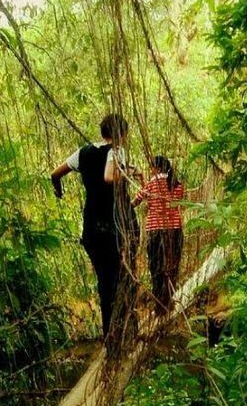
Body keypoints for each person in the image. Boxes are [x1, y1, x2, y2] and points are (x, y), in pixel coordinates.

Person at [51, 113, 140, 341]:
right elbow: (110, 177)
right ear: (121, 134)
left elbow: (55, 174)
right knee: (125, 279)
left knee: (105, 282)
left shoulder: (83, 153)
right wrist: (129, 172)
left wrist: (58, 190)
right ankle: (126, 333)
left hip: (92, 229)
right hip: (117, 227)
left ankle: (110, 335)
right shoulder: (117, 151)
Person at [133, 155, 184, 312]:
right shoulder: (177, 185)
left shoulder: (150, 185)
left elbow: (135, 202)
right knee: (171, 266)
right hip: (174, 230)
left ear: (157, 168)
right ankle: (169, 300)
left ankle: (160, 306)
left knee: (156, 267)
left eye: (151, 167)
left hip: (155, 231)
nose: (150, 170)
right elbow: (174, 202)